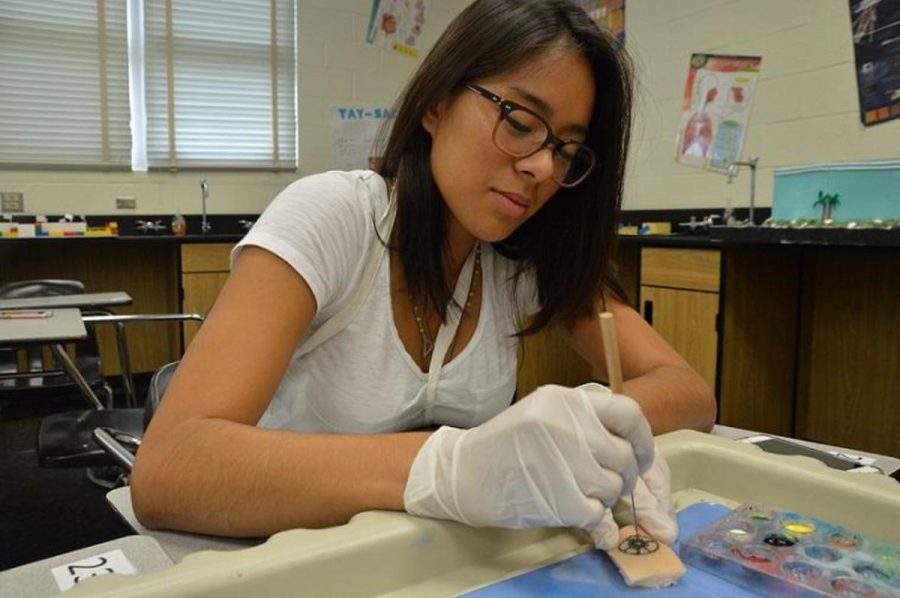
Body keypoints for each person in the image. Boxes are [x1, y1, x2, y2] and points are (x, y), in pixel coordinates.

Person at [131, 0, 716, 549]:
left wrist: (593, 427)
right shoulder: (337, 217)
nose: (541, 166)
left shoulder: (521, 254)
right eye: (519, 121)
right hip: (285, 555)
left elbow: (686, 390)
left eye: (566, 149)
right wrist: (451, 465)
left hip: (429, 563)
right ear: (436, 103)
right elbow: (169, 471)